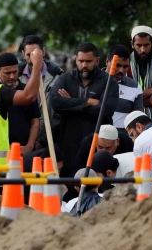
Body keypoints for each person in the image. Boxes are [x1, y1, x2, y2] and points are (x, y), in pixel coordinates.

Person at [50, 42, 119, 184]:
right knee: (70, 186)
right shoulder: (66, 79)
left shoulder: (108, 82)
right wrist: (87, 102)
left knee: (94, 185)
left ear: (97, 61)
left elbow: (105, 111)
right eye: (81, 61)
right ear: (76, 60)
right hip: (68, 143)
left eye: (88, 61)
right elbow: (55, 102)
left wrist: (71, 104)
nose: (84, 65)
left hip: (95, 144)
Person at [18, 35, 63, 149]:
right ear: (23, 54)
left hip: (49, 143)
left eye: (35, 54)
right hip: (22, 143)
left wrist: (43, 140)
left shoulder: (58, 77)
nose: (33, 59)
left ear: (43, 51)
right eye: (29, 55)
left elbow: (60, 114)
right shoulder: (16, 78)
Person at [0, 53, 40, 156]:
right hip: (1, 152)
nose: (12, 76)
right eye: (7, 73)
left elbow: (35, 121)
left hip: (25, 152)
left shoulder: (27, 91)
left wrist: (29, 146)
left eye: (15, 72)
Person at [105, 45, 142, 131]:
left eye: (125, 67)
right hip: (95, 138)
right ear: (107, 61)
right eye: (117, 65)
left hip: (122, 139)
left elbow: (136, 119)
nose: (121, 70)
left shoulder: (135, 87)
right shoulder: (94, 81)